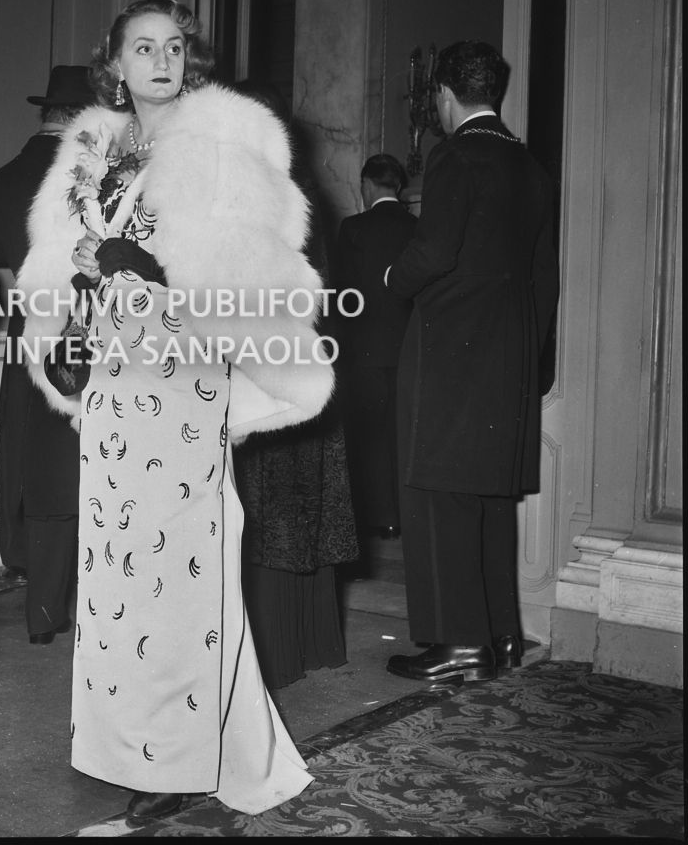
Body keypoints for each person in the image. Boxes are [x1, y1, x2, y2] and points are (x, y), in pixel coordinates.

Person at [17, 0, 334, 826]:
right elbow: (61, 260)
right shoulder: (94, 149)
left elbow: (246, 272)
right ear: (113, 64)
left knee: (179, 573)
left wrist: (146, 266)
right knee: (121, 572)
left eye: (174, 46)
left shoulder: (224, 140)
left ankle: (177, 758)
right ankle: (147, 745)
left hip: (184, 376)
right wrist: (76, 305)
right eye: (142, 47)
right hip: (115, 386)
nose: (161, 59)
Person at [385, 41, 559, 684]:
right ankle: (501, 638)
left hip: (450, 351)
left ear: (444, 95)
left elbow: (432, 254)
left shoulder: (455, 156)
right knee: (486, 501)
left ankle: (459, 643)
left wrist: (389, 278)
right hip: (508, 358)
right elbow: (546, 278)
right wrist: (531, 363)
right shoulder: (531, 169)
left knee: (438, 497)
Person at [231, 80, 357, 691]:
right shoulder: (300, 188)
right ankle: (306, 644)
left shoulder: (257, 193)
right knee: (291, 510)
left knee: (267, 510)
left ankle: (274, 654)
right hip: (301, 361)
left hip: (268, 363)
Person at [0, 65, 97, 643]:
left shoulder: (3, 178)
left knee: (23, 451)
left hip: (25, 329)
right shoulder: (84, 176)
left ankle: (35, 590)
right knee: (80, 466)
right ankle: (83, 603)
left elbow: (1, 270)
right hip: (79, 334)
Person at [336, 153, 417, 540]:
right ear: (397, 188)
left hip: (363, 350)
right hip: (407, 350)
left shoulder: (353, 228)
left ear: (367, 185)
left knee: (368, 437)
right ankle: (402, 515)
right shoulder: (418, 228)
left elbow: (341, 296)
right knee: (403, 434)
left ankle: (377, 518)